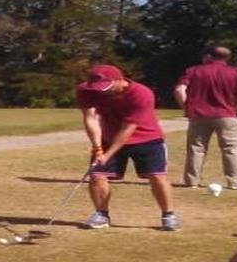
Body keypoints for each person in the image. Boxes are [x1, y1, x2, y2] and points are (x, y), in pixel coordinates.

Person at [76, 64, 179, 231]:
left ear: (119, 80)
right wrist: (97, 147)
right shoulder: (86, 90)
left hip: (147, 138)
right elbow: (90, 118)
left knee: (157, 176)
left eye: (105, 87)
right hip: (108, 137)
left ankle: (169, 215)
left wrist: (108, 154)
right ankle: (101, 214)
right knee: (97, 175)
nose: (101, 91)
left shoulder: (141, 93)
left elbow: (128, 128)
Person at [173, 45, 237, 189]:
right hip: (227, 115)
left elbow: (180, 90)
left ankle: (192, 181)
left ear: (209, 56)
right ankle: (235, 182)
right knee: (231, 148)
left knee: (196, 148)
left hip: (198, 115)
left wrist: (186, 107)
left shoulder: (193, 71)